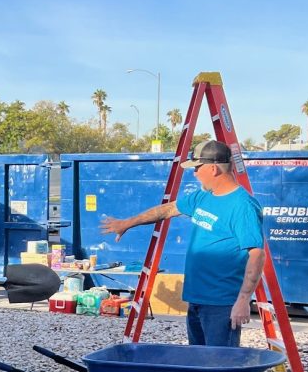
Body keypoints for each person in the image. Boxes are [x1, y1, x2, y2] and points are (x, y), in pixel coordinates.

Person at [99, 139, 265, 347]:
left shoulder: (243, 206)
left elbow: (257, 254)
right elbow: (166, 210)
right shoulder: (203, 197)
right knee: (197, 360)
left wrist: (243, 300)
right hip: (196, 298)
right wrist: (127, 223)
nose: (194, 173)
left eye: (197, 168)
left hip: (221, 303)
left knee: (220, 364)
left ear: (213, 168)